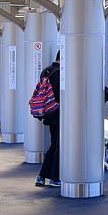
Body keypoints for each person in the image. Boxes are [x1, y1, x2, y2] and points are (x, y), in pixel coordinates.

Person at [35, 52, 62, 187]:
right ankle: (54, 178)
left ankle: (42, 177)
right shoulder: (60, 73)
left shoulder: (45, 70)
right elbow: (61, 94)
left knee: (54, 144)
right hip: (58, 113)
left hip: (48, 113)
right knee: (58, 146)